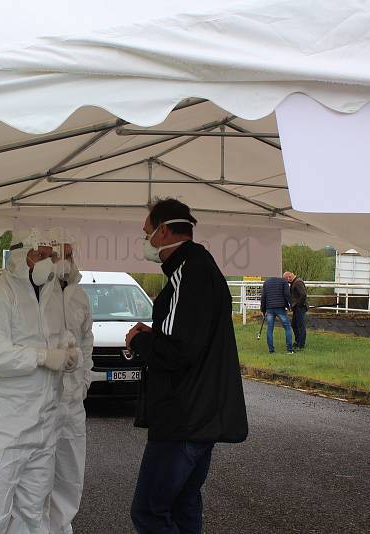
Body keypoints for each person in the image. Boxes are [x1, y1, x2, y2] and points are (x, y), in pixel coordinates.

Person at [125, 198, 248, 534]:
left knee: (149, 511)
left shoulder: (187, 272)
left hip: (182, 417)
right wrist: (157, 332)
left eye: (146, 232)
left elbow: (177, 351)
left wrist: (138, 340)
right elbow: (193, 335)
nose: (145, 240)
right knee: (183, 503)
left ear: (164, 231)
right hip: (200, 414)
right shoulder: (201, 267)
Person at [0, 228, 79, 534]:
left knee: (33, 512)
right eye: (40, 255)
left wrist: (66, 350)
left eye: (50, 257)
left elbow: (52, 338)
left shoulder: (51, 297)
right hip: (2, 427)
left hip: (42, 424)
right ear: (19, 255)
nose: (48, 263)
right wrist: (42, 356)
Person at [47, 235, 94, 534]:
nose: (66, 259)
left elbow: (88, 341)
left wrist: (85, 380)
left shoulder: (79, 296)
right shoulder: (35, 293)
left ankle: (62, 528)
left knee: (70, 475)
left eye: (70, 253)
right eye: (59, 254)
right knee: (36, 475)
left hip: (73, 401)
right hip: (41, 400)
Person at [260, 276, 294, 354]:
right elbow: (287, 294)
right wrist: (290, 306)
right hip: (280, 308)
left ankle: (271, 350)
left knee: (270, 329)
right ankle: (289, 349)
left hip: (269, 308)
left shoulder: (266, 282)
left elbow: (263, 297)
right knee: (287, 327)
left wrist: (262, 309)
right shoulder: (283, 281)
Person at [284, 271, 308, 351]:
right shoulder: (296, 282)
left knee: (300, 326)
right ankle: (298, 341)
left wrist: (299, 305)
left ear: (289, 277)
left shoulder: (298, 282)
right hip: (297, 307)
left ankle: (301, 344)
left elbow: (303, 294)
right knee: (294, 324)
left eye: (286, 280)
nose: (287, 282)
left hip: (300, 307)